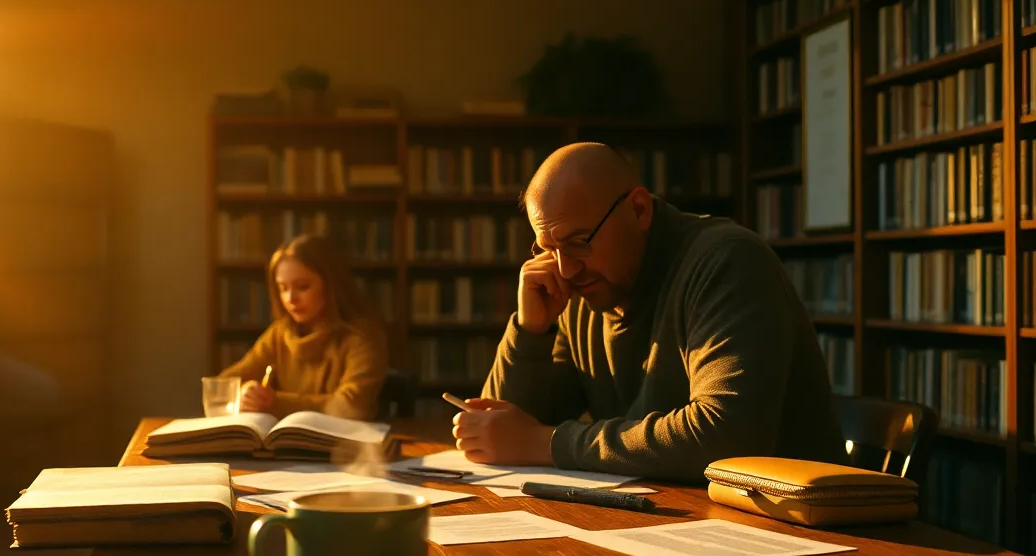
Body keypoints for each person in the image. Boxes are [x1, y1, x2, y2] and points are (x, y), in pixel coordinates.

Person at [452, 142, 847, 481]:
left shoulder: (727, 261)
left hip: (799, 531)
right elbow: (499, 435)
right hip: (678, 519)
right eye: (547, 249)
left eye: (578, 242)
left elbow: (728, 435)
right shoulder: (582, 289)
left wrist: (548, 443)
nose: (565, 269)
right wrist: (529, 331)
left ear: (639, 209)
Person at [219, 234, 389, 421]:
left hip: (347, 439)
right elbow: (224, 385)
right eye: (283, 288)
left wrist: (275, 403)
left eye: (302, 286)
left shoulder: (362, 336)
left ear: (330, 285)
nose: (291, 298)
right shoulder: (281, 332)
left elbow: (351, 407)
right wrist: (245, 391)